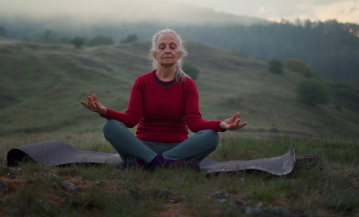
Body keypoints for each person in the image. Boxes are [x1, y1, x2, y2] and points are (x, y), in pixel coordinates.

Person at [80, 28, 247, 168]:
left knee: (211, 136)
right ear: (154, 54)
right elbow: (131, 120)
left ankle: (153, 163)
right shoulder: (142, 81)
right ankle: (162, 163)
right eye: (162, 47)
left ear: (179, 53)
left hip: (178, 149)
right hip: (142, 148)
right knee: (110, 126)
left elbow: (195, 124)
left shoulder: (188, 84)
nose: (167, 50)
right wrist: (104, 111)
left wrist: (221, 125)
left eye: (172, 47)